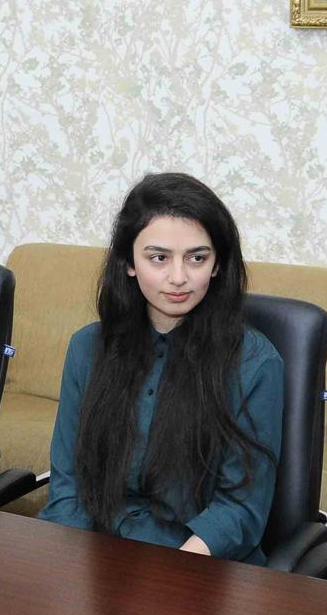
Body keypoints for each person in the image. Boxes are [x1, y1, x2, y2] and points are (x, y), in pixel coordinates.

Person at [39, 173, 284, 562]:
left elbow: (240, 510)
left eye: (197, 258)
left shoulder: (255, 364)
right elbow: (69, 486)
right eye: (159, 258)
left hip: (195, 564)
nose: (178, 277)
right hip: (95, 556)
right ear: (129, 262)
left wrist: (168, 577)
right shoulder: (87, 348)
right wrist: (67, 570)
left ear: (217, 265)